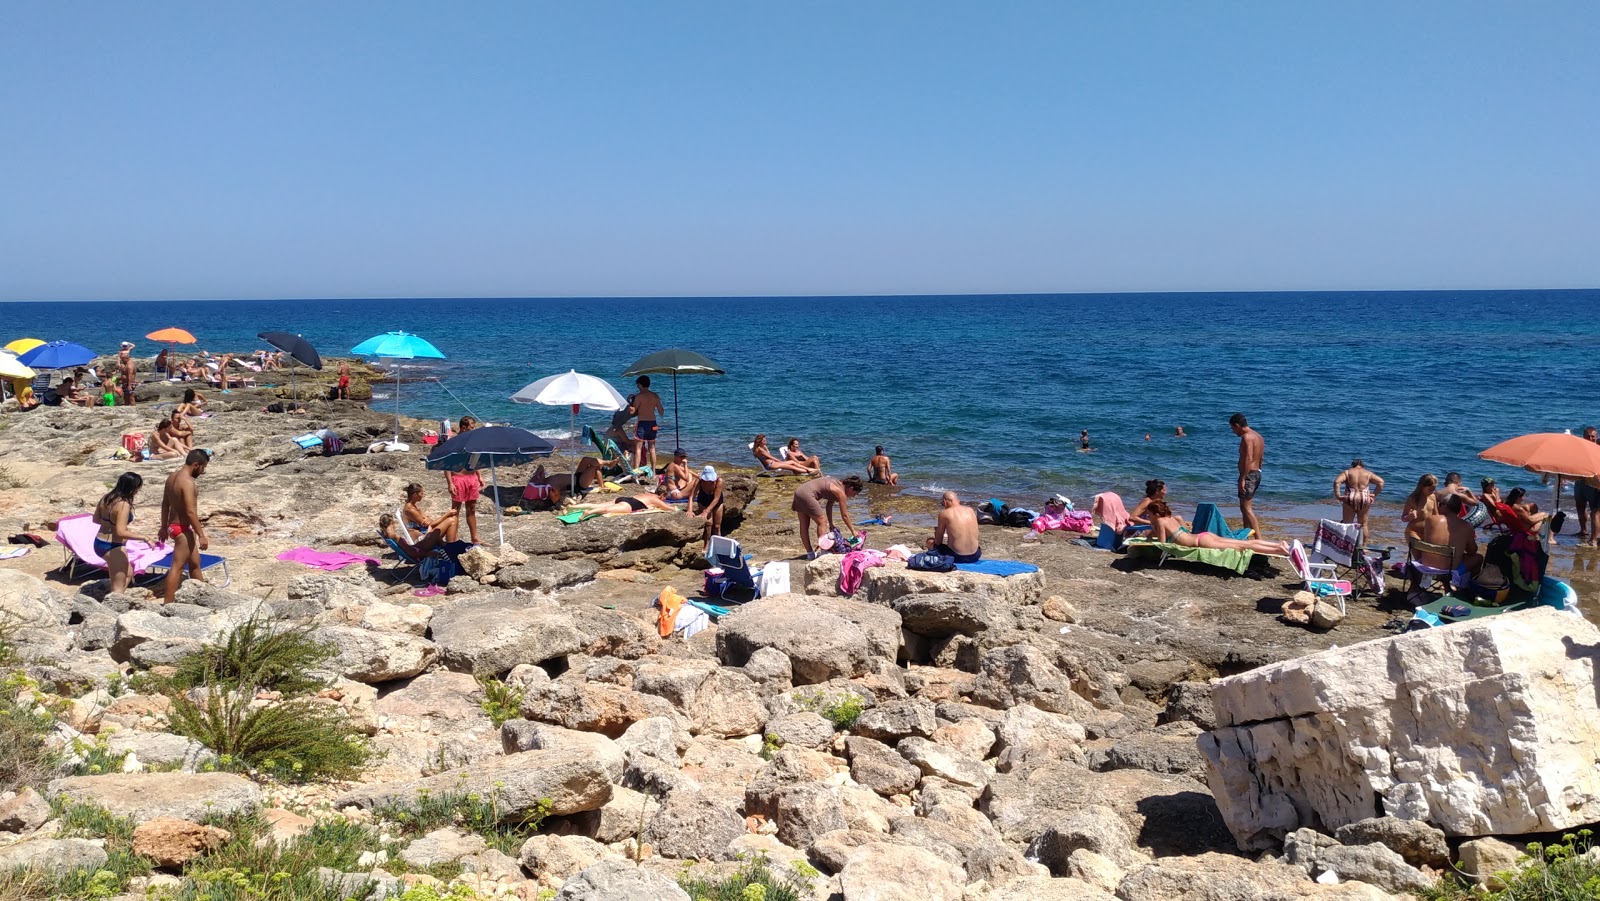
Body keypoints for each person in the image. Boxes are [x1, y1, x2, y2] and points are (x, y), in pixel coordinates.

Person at [160, 449, 212, 604]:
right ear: (196, 465)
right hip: (182, 528)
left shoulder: (172, 477)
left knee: (195, 564)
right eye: (203, 467)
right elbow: (190, 511)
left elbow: (165, 505)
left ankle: (204, 598)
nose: (203, 472)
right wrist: (201, 534)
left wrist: (163, 527)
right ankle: (167, 605)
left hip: (173, 526)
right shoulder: (187, 482)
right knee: (177, 567)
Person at [93, 472, 159, 595]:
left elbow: (95, 519)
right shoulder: (123, 504)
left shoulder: (106, 498)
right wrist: (145, 538)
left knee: (128, 573)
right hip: (113, 547)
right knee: (117, 588)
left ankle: (114, 602)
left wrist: (109, 523)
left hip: (99, 542)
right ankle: (113, 608)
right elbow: (121, 531)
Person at [1147, 500, 1289, 555]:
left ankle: (1279, 550)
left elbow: (1163, 544)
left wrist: (1150, 536)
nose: (1149, 517)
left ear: (1156, 514)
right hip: (1204, 536)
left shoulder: (1160, 522)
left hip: (1200, 542)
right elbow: (1181, 528)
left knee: (1242, 547)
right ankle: (1278, 545)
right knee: (1243, 543)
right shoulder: (1173, 518)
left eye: (1150, 515)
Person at [1405, 494, 1483, 584]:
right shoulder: (1466, 526)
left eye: (1439, 504)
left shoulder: (1431, 520)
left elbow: (1411, 530)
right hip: (1448, 573)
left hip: (1425, 567)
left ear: (1445, 506)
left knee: (1422, 544)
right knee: (1478, 558)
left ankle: (1416, 586)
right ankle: (1466, 588)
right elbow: (1472, 551)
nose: (1437, 507)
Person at [791, 474, 863, 558]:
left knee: (804, 525)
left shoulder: (837, 484)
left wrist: (831, 524)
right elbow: (844, 515)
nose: (854, 496)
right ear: (851, 488)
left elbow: (829, 506)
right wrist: (853, 531)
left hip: (799, 491)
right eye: (855, 494)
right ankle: (824, 551)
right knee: (822, 521)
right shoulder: (841, 493)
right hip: (807, 494)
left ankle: (810, 554)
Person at [445, 415, 483, 544]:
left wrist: (479, 476)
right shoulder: (454, 442)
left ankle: (475, 537)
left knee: (471, 508)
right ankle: (453, 538)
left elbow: (474, 460)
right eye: (472, 428)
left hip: (471, 478)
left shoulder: (473, 442)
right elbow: (447, 464)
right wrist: (450, 483)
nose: (474, 430)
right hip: (458, 478)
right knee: (455, 510)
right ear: (464, 428)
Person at [1230, 413, 1264, 536]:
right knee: (1244, 507)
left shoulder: (1247, 437)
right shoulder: (1258, 436)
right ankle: (1245, 535)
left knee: (1246, 508)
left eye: (1233, 429)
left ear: (1237, 425)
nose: (1233, 432)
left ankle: (1258, 539)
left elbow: (1248, 458)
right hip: (1257, 473)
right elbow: (1260, 458)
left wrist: (1243, 478)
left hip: (1249, 474)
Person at [379, 512, 466, 560]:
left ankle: (449, 549)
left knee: (436, 530)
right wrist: (426, 554)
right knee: (450, 521)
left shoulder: (387, 535)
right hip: (420, 549)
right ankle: (451, 550)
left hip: (417, 547)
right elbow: (411, 552)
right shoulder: (393, 536)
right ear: (391, 523)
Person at [927, 490, 981, 563]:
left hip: (956, 557)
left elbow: (938, 541)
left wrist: (936, 532)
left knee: (930, 542)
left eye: (943, 503)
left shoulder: (944, 513)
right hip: (976, 555)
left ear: (945, 501)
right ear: (958, 500)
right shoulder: (970, 510)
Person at [1334, 459, 1385, 528]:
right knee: (1363, 525)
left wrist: (1338, 495)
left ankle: (1348, 538)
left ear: (1352, 465)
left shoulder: (1347, 472)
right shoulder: (1368, 473)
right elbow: (1381, 482)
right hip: (1364, 498)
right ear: (1363, 466)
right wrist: (1374, 494)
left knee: (1347, 525)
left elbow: (1337, 482)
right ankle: (1363, 539)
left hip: (1350, 497)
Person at [630, 376, 663, 470]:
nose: (637, 387)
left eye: (638, 385)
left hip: (642, 423)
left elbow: (632, 412)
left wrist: (630, 402)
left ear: (640, 384)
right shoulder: (655, 396)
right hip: (653, 423)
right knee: (652, 448)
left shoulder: (639, 396)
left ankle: (636, 471)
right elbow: (661, 412)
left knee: (638, 448)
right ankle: (654, 472)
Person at [688, 465, 724, 550]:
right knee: (708, 524)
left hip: (716, 501)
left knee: (717, 526)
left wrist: (706, 511)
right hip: (703, 500)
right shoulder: (699, 481)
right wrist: (690, 510)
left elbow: (716, 499)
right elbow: (691, 496)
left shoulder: (719, 481)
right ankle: (706, 544)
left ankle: (719, 546)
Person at [1576, 427, 1600, 545]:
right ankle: (1583, 530)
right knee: (1580, 506)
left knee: (1595, 511)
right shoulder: (1580, 447)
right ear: (1583, 436)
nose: (1590, 438)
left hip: (1594, 483)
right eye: (1588, 436)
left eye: (1592, 436)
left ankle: (1595, 536)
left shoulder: (1598, 447)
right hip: (1580, 480)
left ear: (1596, 437)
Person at [572, 492, 678, 516]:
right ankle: (589, 513)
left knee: (599, 504)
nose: (664, 500)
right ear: (662, 495)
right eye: (665, 498)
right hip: (630, 505)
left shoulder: (647, 493)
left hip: (624, 498)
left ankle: (572, 507)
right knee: (607, 509)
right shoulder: (657, 499)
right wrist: (674, 508)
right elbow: (668, 508)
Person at [118, 342, 137, 406]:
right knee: (126, 396)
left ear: (126, 358)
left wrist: (129, 385)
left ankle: (133, 408)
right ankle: (127, 406)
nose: (122, 361)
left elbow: (130, 375)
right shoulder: (126, 364)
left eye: (123, 360)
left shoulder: (129, 366)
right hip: (125, 383)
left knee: (131, 397)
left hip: (129, 383)